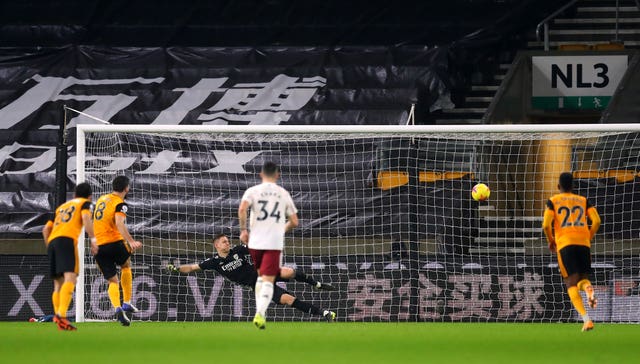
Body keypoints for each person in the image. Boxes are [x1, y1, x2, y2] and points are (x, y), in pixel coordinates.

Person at [167, 233, 336, 321]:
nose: (228, 243)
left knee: (289, 272)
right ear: (216, 245)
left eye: (228, 241)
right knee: (288, 299)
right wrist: (176, 269)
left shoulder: (238, 250)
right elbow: (192, 267)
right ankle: (325, 313)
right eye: (224, 241)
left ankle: (317, 284)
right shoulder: (213, 262)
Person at [238, 161, 300, 329]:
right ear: (277, 175)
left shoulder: (252, 191)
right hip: (273, 241)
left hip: (255, 241)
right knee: (268, 279)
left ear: (261, 174)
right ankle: (260, 313)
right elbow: (294, 221)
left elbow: (242, 209)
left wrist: (244, 230)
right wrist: (282, 229)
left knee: (261, 276)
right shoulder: (283, 193)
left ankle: (260, 312)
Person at [542, 172, 601, 332]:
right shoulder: (583, 200)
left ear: (558, 186)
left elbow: (546, 225)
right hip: (583, 243)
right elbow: (597, 221)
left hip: (565, 243)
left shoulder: (553, 201)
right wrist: (588, 236)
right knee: (583, 279)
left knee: (570, 283)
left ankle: (586, 319)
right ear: (573, 186)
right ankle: (588, 288)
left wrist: (550, 240)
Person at [42, 182, 97, 331]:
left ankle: (58, 318)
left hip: (52, 241)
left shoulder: (61, 207)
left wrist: (50, 247)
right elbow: (86, 219)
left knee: (58, 283)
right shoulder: (85, 204)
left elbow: (45, 229)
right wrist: (93, 239)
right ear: (90, 196)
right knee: (70, 278)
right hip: (66, 240)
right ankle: (61, 315)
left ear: (74, 194)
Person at [93, 175, 142, 326]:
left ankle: (117, 308)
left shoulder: (102, 199)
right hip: (115, 242)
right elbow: (120, 223)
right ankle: (126, 301)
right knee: (126, 265)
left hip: (99, 246)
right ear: (127, 188)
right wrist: (131, 241)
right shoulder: (120, 204)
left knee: (112, 280)